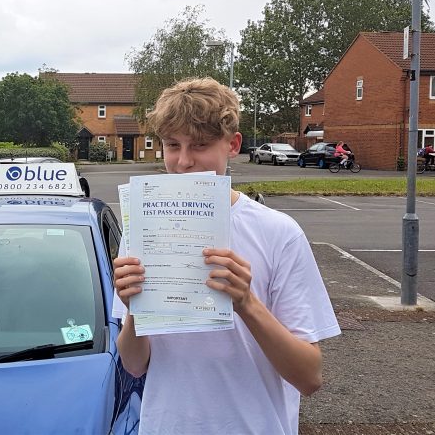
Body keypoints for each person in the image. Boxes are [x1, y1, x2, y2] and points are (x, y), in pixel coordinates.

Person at [113, 78, 340, 434]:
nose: (183, 162)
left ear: (232, 145)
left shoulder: (278, 232)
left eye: (200, 145)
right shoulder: (143, 226)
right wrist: (132, 311)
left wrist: (247, 303)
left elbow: (309, 377)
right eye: (173, 145)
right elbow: (134, 364)